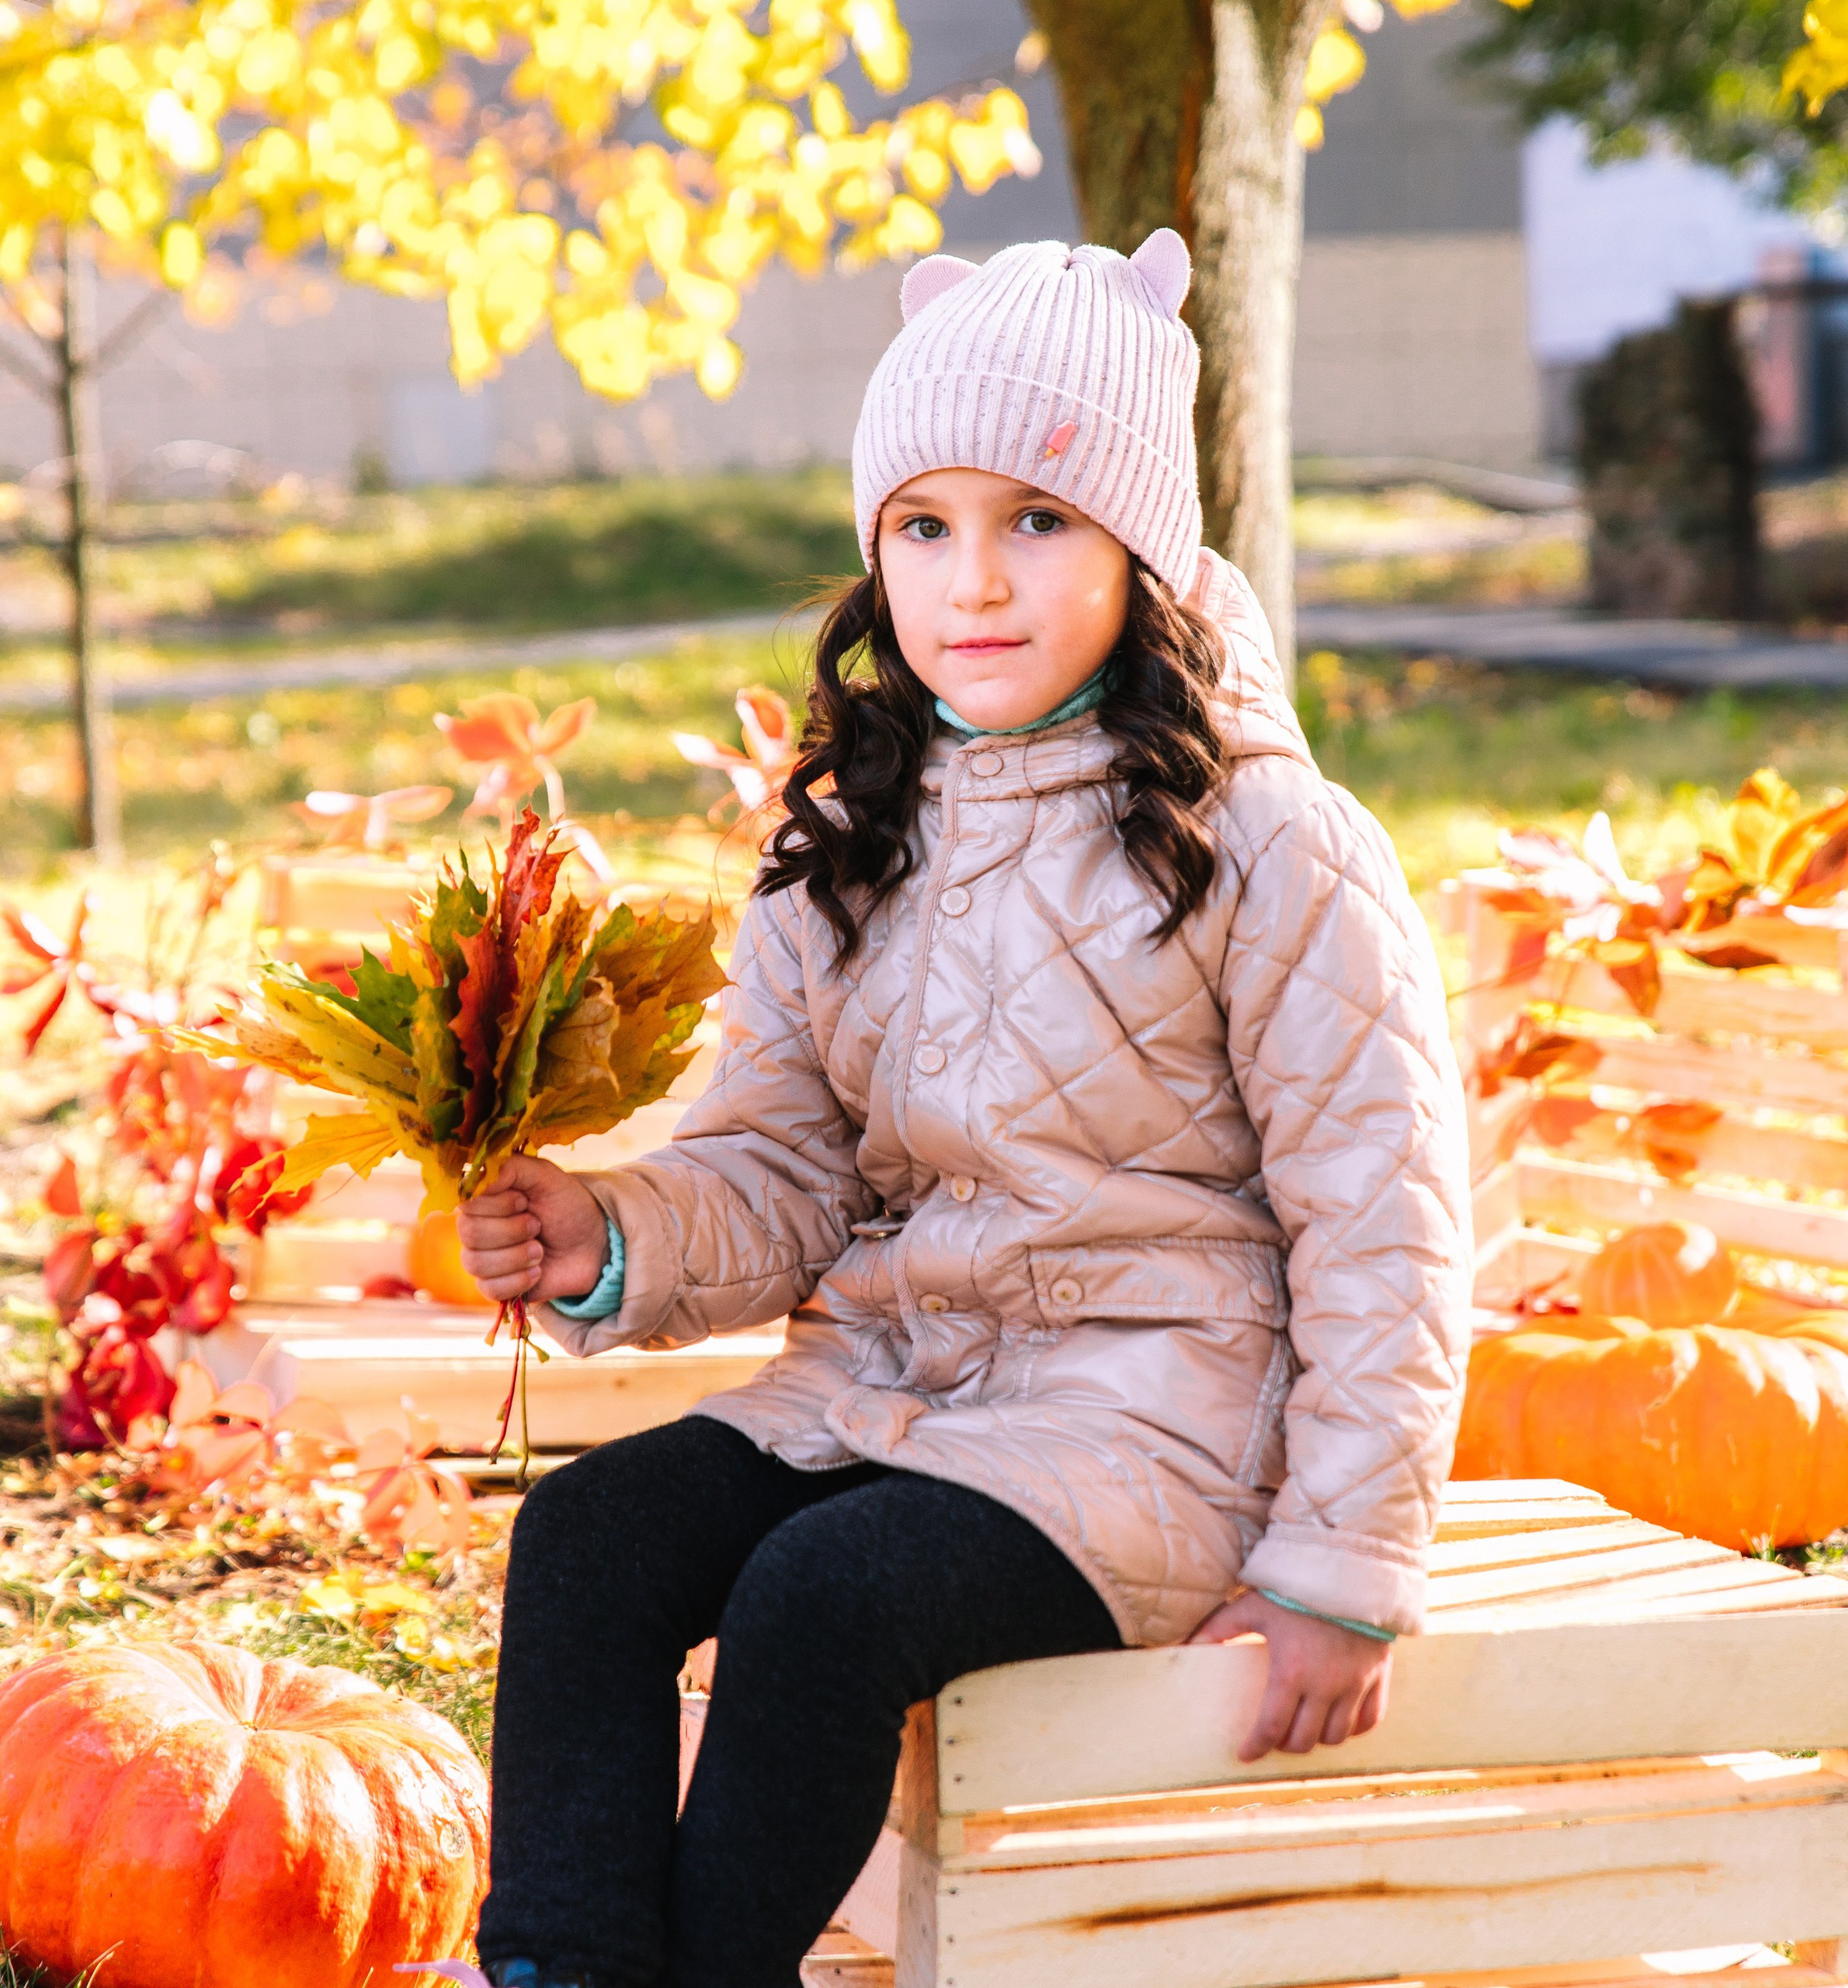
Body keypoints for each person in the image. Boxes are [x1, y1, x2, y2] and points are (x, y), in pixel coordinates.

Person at [454, 228, 1473, 1988]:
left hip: (1157, 1429)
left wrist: (1337, 1565)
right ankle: (558, 1961)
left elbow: (1382, 1219)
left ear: (1143, 544)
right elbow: (777, 1165)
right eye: (921, 527)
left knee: (823, 1598)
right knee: (588, 1533)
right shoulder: (854, 841)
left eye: (1037, 520)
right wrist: (612, 1229)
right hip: (895, 1390)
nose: (972, 582)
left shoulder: (1274, 842)